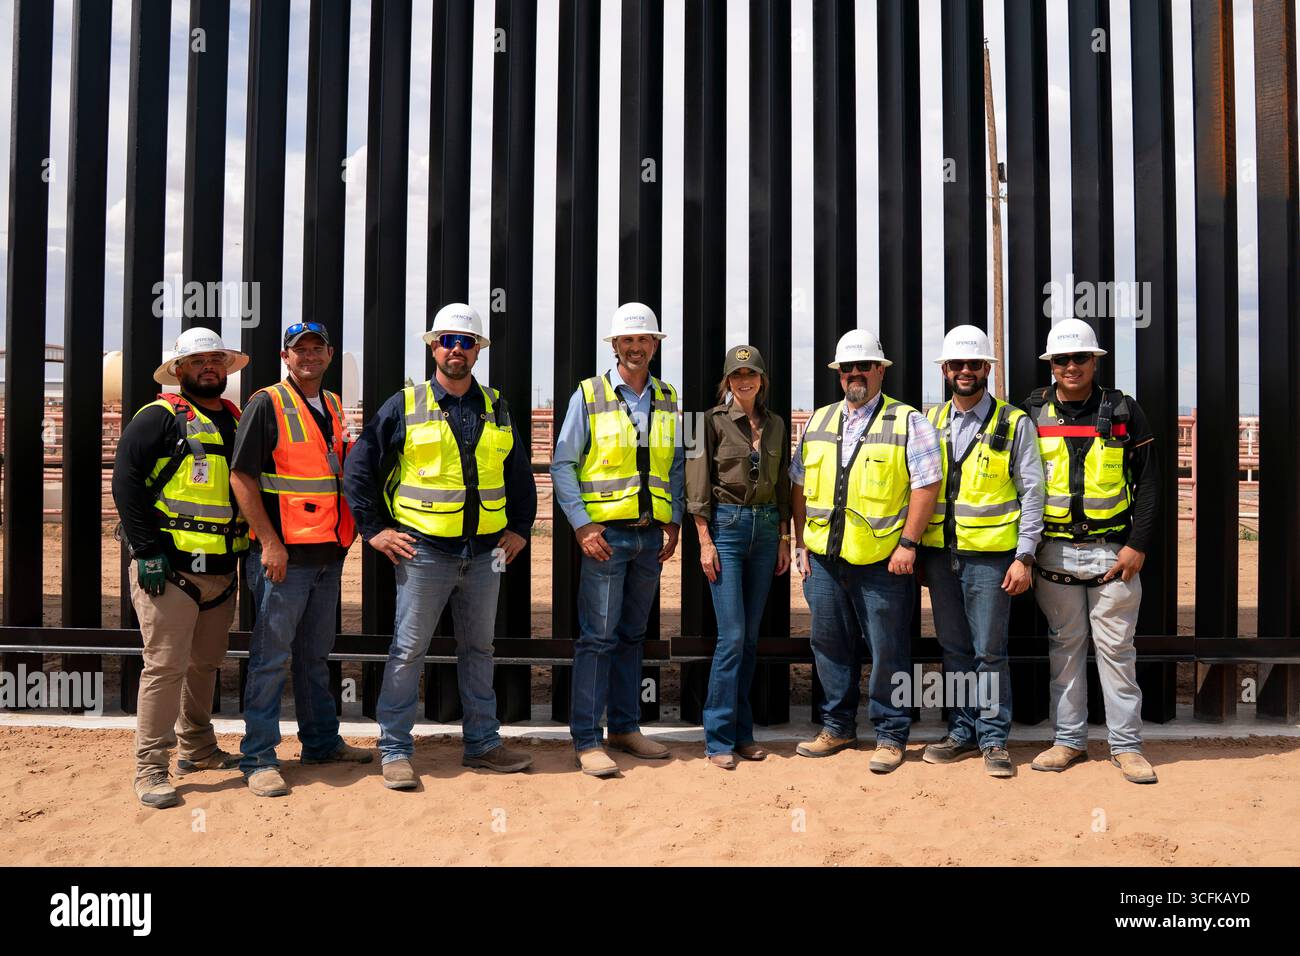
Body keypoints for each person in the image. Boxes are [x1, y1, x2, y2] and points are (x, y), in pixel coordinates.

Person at [343, 303, 536, 790]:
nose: (456, 350)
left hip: (486, 553)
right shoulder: (405, 404)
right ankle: (395, 749)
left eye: (466, 342)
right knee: (409, 649)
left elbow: (518, 473)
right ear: (433, 347)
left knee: (479, 649)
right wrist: (374, 530)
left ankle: (483, 744)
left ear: (478, 351)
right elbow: (359, 468)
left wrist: (520, 527)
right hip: (424, 551)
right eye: (448, 341)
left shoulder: (497, 406)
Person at [229, 322, 372, 798]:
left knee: (314, 657)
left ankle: (321, 743)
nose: (308, 356)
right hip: (283, 558)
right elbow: (242, 477)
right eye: (299, 349)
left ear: (329, 354)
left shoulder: (332, 404)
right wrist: (270, 543)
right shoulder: (266, 403)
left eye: (316, 348)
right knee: (270, 659)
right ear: (285, 356)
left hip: (327, 554)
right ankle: (259, 757)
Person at [790, 329, 941, 774]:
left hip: (883, 562)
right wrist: (800, 542)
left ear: (880, 370)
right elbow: (798, 485)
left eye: (863, 367)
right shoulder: (818, 421)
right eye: (847, 368)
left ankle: (891, 734)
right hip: (824, 560)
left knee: (888, 648)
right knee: (829, 645)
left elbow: (927, 485)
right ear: (839, 374)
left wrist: (908, 544)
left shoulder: (908, 421)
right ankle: (837, 727)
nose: (854, 374)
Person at [111, 327, 250, 809]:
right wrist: (146, 550)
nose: (208, 367)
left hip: (222, 569)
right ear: (179, 370)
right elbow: (126, 483)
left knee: (205, 664)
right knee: (165, 668)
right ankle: (151, 768)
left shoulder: (236, 419)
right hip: (169, 569)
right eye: (197, 361)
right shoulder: (159, 417)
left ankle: (198, 749)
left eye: (216, 360)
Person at [550, 303, 685, 777]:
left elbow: (676, 464)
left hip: (650, 538)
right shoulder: (589, 395)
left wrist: (674, 521)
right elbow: (563, 463)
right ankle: (587, 739)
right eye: (628, 340)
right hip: (606, 538)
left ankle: (625, 729)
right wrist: (582, 525)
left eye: (644, 339)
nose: (636, 347)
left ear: (655, 345)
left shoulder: (668, 396)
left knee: (632, 636)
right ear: (615, 345)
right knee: (598, 639)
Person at [1024, 318, 1160, 784]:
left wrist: (1137, 546)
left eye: (1079, 357)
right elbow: (1020, 484)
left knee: (1117, 651)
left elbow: (1149, 483)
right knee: (1064, 650)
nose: (1071, 366)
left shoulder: (1123, 409)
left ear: (1094, 361)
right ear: (1051, 365)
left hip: (1112, 553)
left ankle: (1127, 746)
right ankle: (1068, 741)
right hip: (1054, 553)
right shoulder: (1032, 412)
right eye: (1062, 359)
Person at [919, 325, 1044, 778]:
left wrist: (1024, 556)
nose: (965, 371)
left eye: (974, 364)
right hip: (940, 556)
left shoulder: (1014, 423)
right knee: (954, 649)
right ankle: (961, 731)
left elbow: (1033, 492)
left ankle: (993, 738)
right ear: (945, 371)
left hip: (991, 558)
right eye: (957, 364)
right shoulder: (929, 421)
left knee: (989, 651)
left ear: (987, 369)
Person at [685, 345, 791, 769]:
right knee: (731, 637)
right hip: (725, 530)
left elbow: (782, 485)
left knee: (748, 639)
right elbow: (696, 486)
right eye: (737, 374)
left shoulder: (777, 424)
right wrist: (704, 541)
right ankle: (717, 738)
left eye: (751, 374)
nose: (744, 381)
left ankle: (743, 734)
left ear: (762, 380)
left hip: (765, 531)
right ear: (727, 381)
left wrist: (784, 537)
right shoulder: (704, 422)